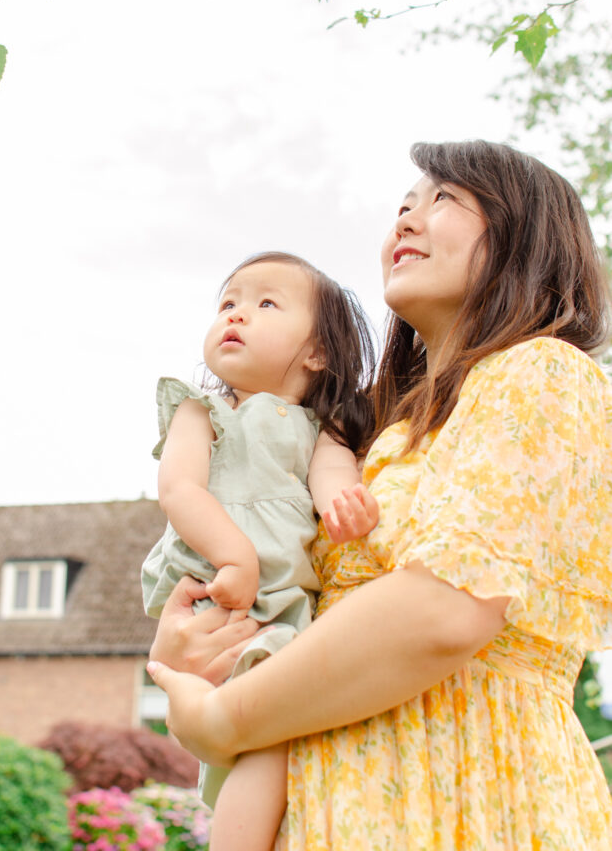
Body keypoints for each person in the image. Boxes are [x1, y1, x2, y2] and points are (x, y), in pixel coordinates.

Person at [147, 140, 612, 850]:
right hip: (328, 810)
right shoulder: (367, 431)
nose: (406, 220)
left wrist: (224, 719)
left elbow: (447, 607)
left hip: (472, 796)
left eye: (444, 199)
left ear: (526, 233)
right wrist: (193, 642)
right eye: (402, 206)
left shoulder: (543, 374)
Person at [141, 251, 380, 851]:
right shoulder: (203, 412)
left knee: (275, 745)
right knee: (264, 741)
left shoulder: (323, 427)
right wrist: (236, 556)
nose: (236, 315)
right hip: (227, 597)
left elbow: (332, 473)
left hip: (288, 609)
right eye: (228, 303)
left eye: (264, 304)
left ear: (317, 353)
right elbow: (179, 489)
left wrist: (344, 507)